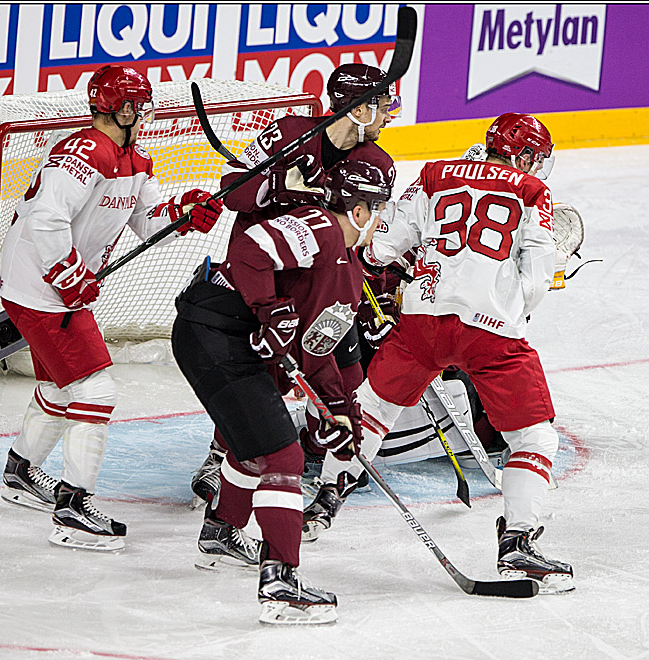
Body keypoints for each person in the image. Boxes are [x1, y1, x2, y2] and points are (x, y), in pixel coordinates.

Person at [302, 113, 575, 594]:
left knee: (371, 411)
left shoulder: (434, 174)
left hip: (422, 322)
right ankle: (517, 544)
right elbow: (535, 281)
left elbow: (382, 247)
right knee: (534, 441)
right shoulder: (533, 191)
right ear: (528, 155)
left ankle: (324, 501)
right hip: (491, 335)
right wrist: (509, 311)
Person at [0, 65, 224, 551]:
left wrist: (185, 212)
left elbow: (148, 220)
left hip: (50, 287)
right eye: (135, 106)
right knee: (95, 387)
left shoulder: (134, 162)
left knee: (62, 387)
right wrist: (68, 272)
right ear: (114, 108)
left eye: (142, 105)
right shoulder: (84, 153)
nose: (142, 113)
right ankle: (74, 505)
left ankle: (20, 470)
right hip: (38, 288)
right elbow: (46, 218)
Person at [171, 157, 392, 624]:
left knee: (250, 445)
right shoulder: (320, 227)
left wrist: (339, 410)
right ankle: (280, 585)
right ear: (358, 211)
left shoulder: (348, 270)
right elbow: (248, 250)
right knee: (284, 458)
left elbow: (317, 346)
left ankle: (221, 532)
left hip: (230, 342)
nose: (382, 219)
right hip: (213, 333)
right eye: (378, 208)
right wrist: (269, 308)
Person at [189, 62, 398, 509]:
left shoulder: (377, 163)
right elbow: (231, 192)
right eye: (382, 105)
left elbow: (363, 230)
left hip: (325, 283)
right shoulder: (287, 134)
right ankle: (222, 455)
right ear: (357, 108)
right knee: (259, 373)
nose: (391, 115)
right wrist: (277, 185)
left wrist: (377, 289)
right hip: (264, 275)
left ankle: (306, 447)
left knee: (347, 373)